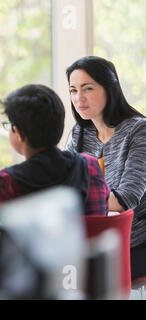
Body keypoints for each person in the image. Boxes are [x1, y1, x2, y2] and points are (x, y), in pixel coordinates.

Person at [0, 84, 110, 293]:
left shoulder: (9, 181)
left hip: (17, 282)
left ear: (18, 133)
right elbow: (96, 217)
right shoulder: (89, 166)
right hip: (76, 281)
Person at [65, 56, 146, 281]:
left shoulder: (139, 131)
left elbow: (125, 199)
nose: (78, 98)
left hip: (135, 242)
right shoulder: (81, 133)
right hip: (91, 237)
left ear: (110, 89)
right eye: (73, 90)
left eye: (87, 88)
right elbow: (63, 181)